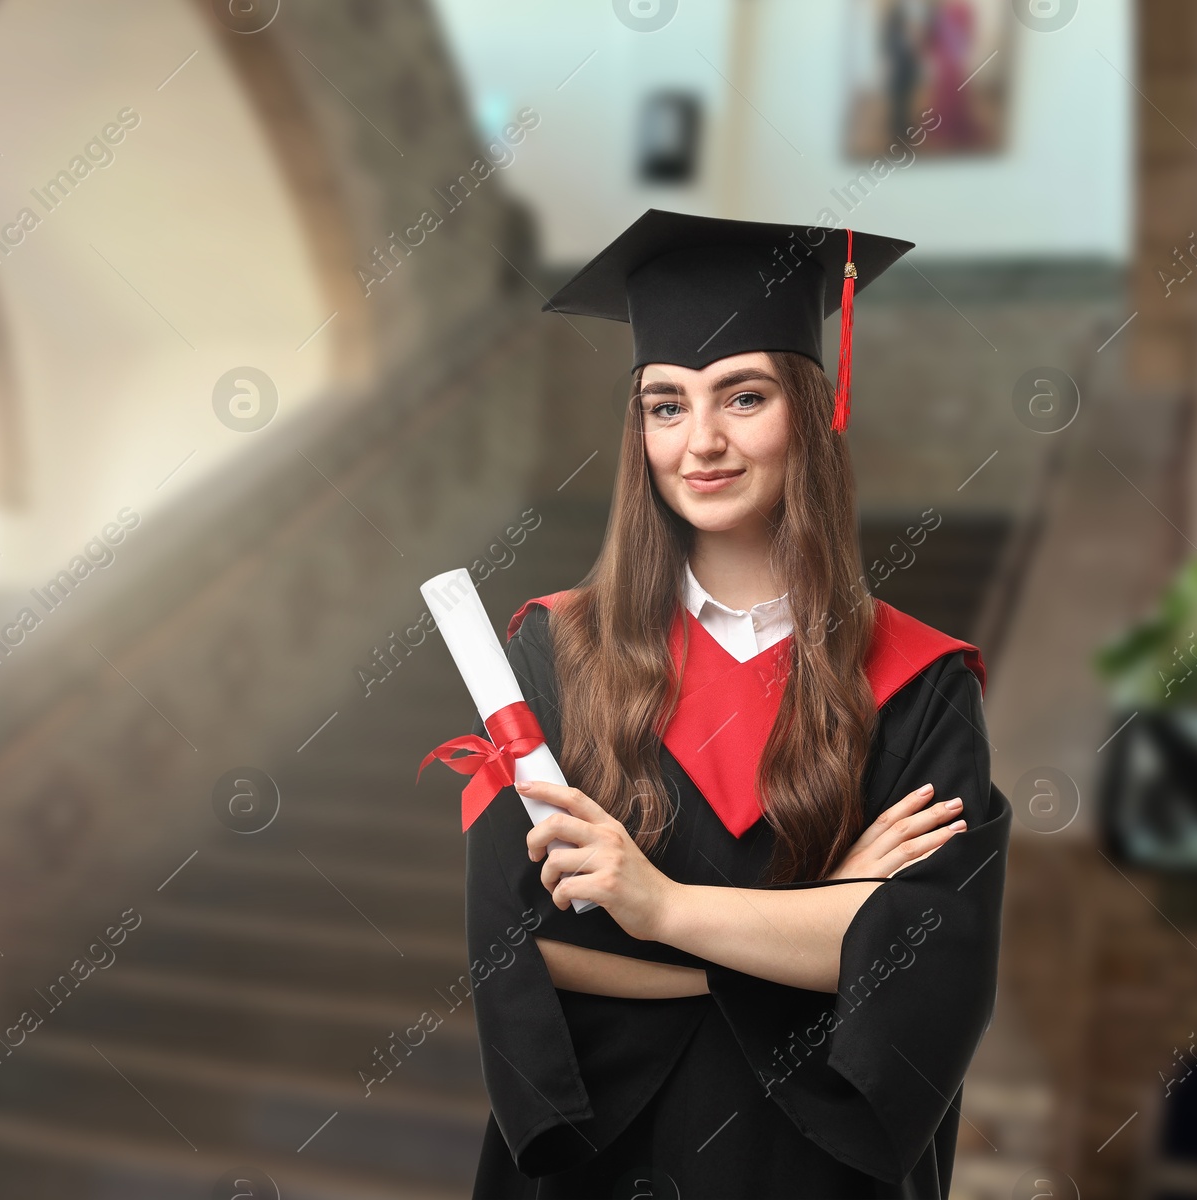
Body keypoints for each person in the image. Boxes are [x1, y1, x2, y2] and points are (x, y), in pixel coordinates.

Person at [429, 210, 1012, 1198]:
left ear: (813, 409)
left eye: (742, 397)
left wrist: (656, 908)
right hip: (607, 1166)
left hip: (812, 1171)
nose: (699, 441)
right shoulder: (554, 653)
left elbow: (921, 967)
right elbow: (523, 947)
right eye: (664, 405)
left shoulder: (922, 685)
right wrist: (815, 927)